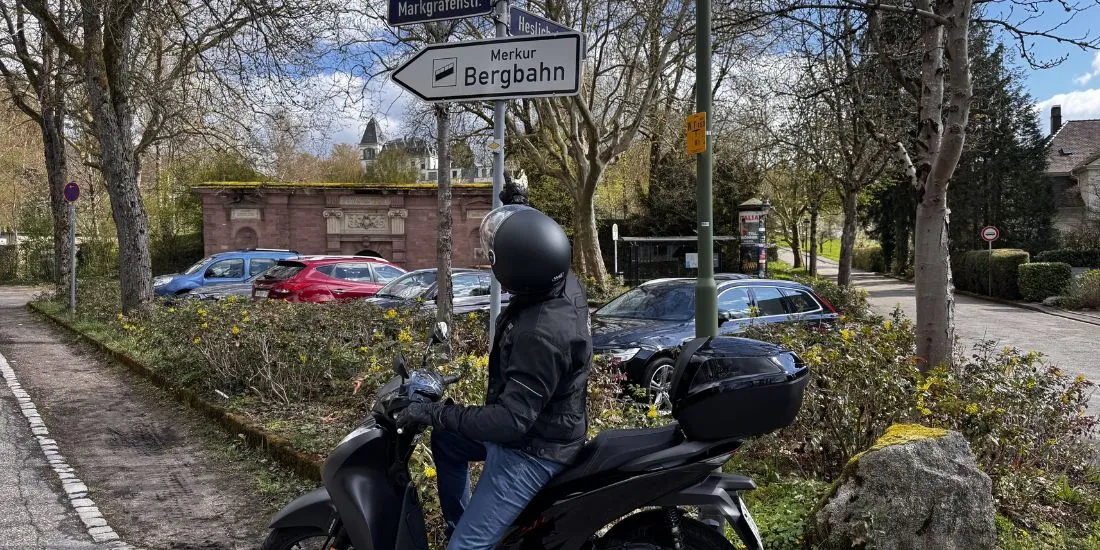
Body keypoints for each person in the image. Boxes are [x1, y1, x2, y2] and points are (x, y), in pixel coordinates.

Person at [398, 205, 592, 549]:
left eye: (496, 258)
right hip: (545, 423)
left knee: (465, 548)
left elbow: (508, 422)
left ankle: (468, 540)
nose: (492, 263)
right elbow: (535, 247)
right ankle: (460, 523)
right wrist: (518, 206)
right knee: (446, 440)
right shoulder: (561, 282)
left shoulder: (540, 334)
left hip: (534, 448)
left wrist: (433, 413)